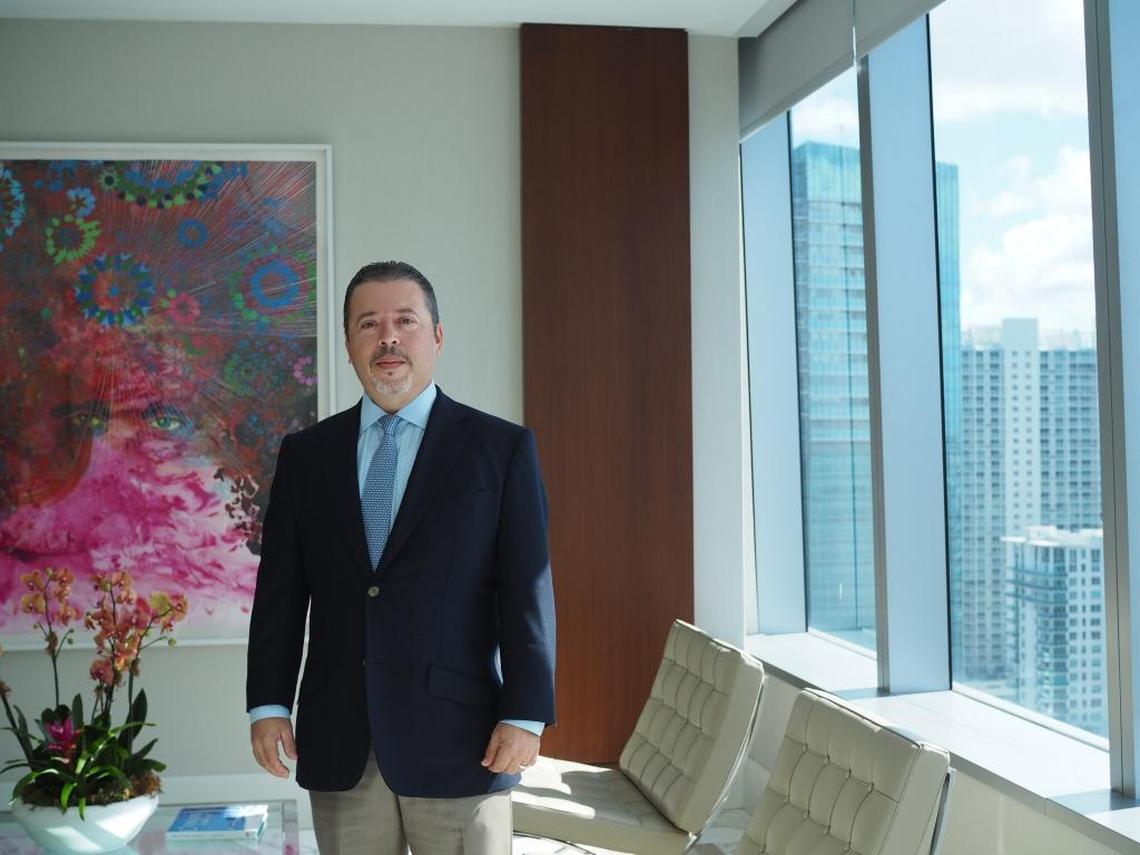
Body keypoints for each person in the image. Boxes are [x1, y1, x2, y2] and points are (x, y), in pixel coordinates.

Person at [246, 260, 556, 854]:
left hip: (464, 741)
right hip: (341, 739)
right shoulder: (306, 457)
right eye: (368, 324)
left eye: (405, 321)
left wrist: (526, 713)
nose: (387, 337)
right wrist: (268, 701)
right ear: (348, 344)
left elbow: (528, 591)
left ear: (437, 336)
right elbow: (280, 593)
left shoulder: (501, 449)